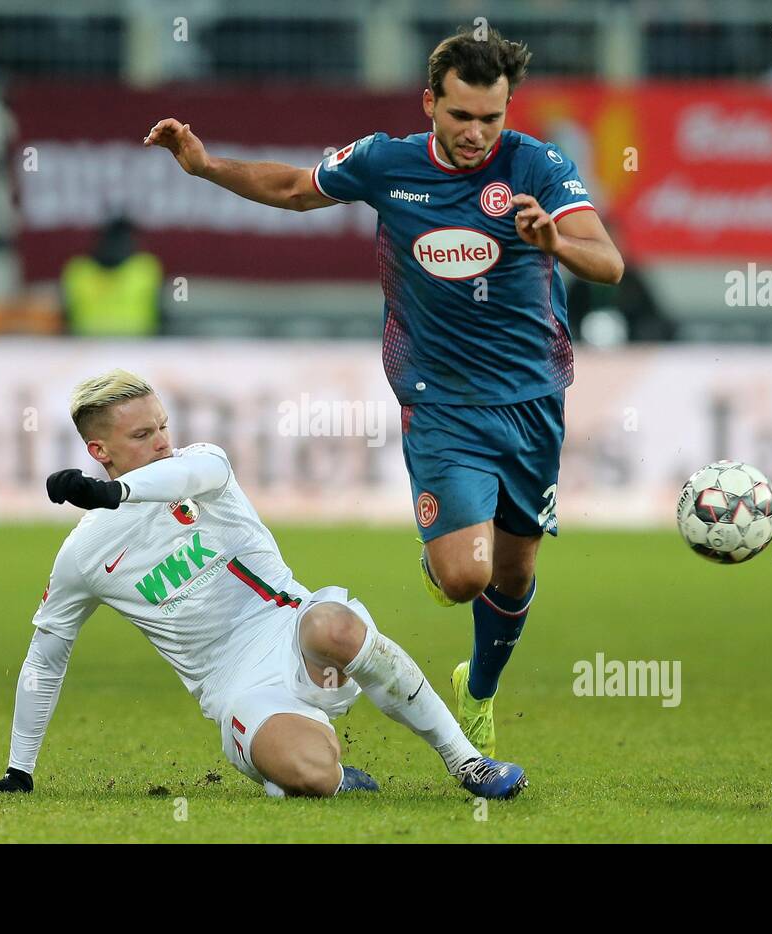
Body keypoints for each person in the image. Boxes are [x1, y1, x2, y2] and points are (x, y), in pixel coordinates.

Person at [143, 27, 623, 755]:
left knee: (517, 572)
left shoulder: (539, 165)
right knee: (465, 576)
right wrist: (207, 166)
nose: (476, 134)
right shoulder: (385, 162)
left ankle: (480, 689)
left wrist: (556, 244)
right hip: (439, 398)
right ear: (430, 102)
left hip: (533, 396)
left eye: (492, 118)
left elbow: (609, 262)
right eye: (461, 116)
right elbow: (295, 189)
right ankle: (443, 551)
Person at [0, 369, 527, 799]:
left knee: (333, 623)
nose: (162, 442)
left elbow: (183, 472)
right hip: (237, 688)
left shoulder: (203, 466)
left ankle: (466, 760)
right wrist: (19, 770)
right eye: (141, 435)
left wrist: (113, 491)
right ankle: (315, 765)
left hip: (296, 634)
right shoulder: (84, 553)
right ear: (98, 451)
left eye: (162, 426)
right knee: (312, 775)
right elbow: (46, 654)